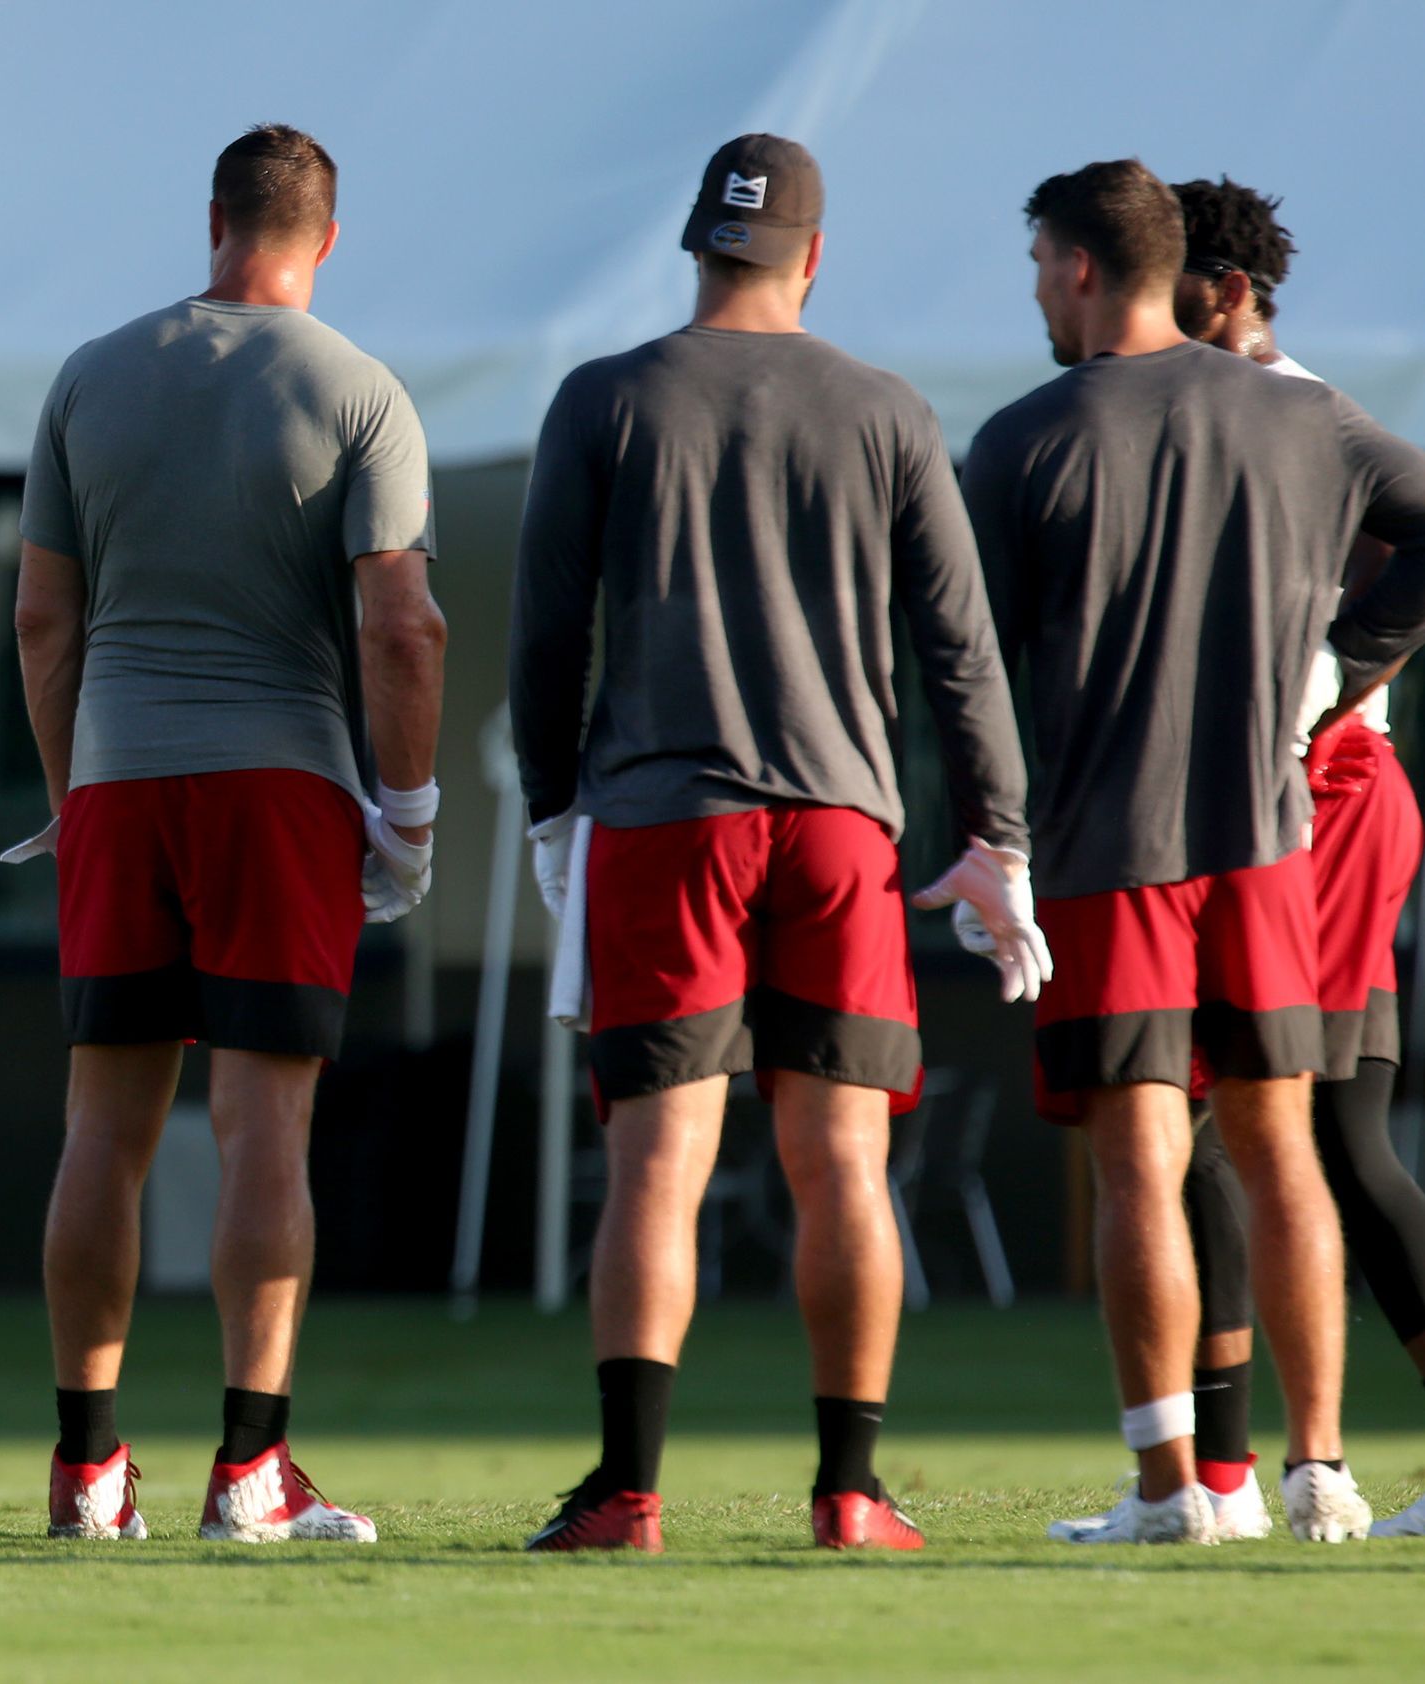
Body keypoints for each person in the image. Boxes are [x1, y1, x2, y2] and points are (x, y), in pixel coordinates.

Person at [508, 136, 1043, 1555]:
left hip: (662, 819)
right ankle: (850, 1493)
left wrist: (551, 804)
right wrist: (999, 835)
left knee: (654, 1164)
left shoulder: (604, 397)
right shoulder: (883, 408)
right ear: (812, 255)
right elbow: (959, 651)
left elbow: (547, 632)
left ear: (696, 248)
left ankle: (626, 1493)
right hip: (836, 826)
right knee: (843, 1164)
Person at [968, 158, 1425, 1546]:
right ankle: (1309, 1472)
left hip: (1124, 838)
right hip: (1272, 838)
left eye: (1041, 262)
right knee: (1282, 1143)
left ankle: (1175, 1487)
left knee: (1150, 1155)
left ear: (1086, 268)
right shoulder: (1302, 416)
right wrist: (1327, 676)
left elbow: (961, 666)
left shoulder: (1023, 434)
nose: (1035, 287)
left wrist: (978, 839)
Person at [14, 123, 444, 1544]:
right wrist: (410, 813)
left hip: (118, 780)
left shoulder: (89, 375)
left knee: (103, 1131)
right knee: (268, 1130)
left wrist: (76, 791)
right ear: (326, 236)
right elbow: (402, 625)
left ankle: (86, 1472)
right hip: (282, 786)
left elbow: (39, 619)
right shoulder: (359, 389)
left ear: (211, 221)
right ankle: (249, 1470)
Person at [1162, 175, 1425, 1542]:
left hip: (1326, 799)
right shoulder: (1182, 408)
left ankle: (1295, 1465)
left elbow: (1415, 544)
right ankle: (1220, 1481)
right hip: (1228, 804)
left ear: (1229, 291)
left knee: (1317, 1124)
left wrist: (1330, 677)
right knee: (1210, 1118)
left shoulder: (1301, 407)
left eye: (1170, 282)